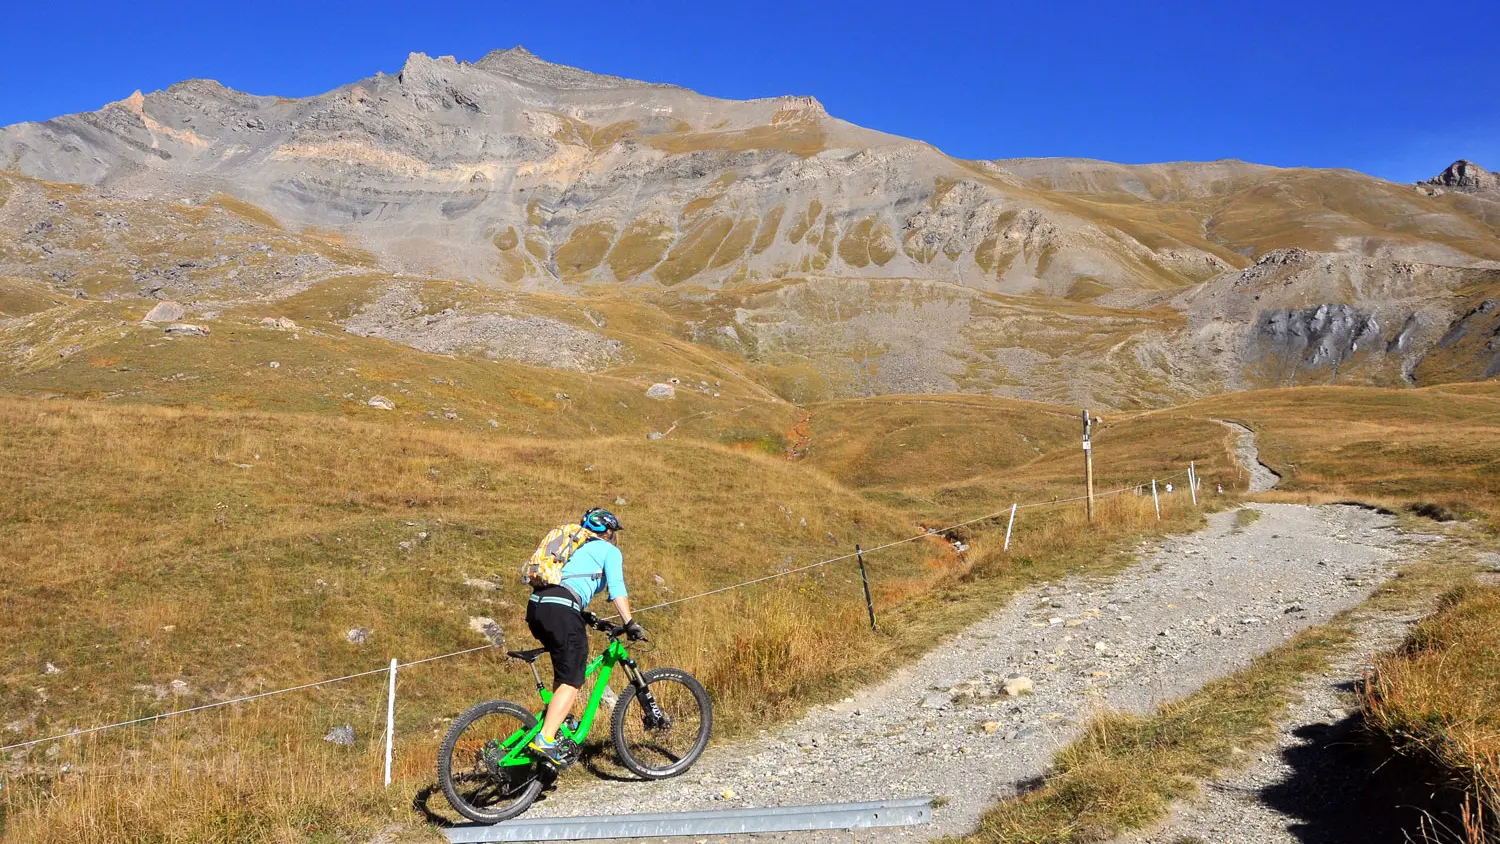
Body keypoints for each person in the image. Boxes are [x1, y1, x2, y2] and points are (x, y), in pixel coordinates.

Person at [526, 507, 644, 765]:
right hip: (560, 610)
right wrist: (630, 622)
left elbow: (568, 584)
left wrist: (586, 614)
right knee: (573, 678)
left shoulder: (575, 548)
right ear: (608, 532)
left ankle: (554, 727)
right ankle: (545, 740)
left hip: (537, 607)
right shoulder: (609, 551)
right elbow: (617, 588)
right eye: (614, 533)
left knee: (565, 672)